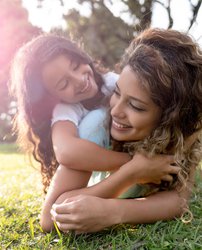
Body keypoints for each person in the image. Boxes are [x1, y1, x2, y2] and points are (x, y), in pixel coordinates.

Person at [46, 28, 202, 234]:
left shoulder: (182, 133)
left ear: (169, 116)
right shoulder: (97, 126)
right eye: (117, 92)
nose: (116, 110)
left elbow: (179, 199)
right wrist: (131, 172)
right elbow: (50, 218)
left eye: (136, 106)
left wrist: (114, 212)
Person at [9, 33, 175, 193]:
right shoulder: (66, 110)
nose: (79, 80)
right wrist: (134, 164)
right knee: (96, 119)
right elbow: (66, 151)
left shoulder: (112, 82)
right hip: (101, 176)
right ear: (52, 97)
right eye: (64, 84)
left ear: (81, 56)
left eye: (75, 66)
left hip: (141, 158)